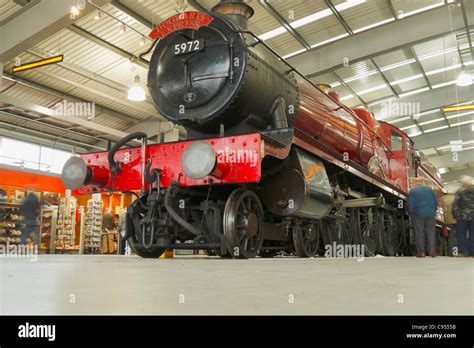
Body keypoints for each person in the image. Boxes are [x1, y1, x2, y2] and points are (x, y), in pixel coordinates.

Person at [407, 178, 438, 257]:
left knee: (419, 233)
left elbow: (410, 204)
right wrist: (434, 212)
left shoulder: (413, 191)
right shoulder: (430, 190)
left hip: (418, 214)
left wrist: (411, 213)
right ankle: (431, 251)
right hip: (431, 214)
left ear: (416, 183)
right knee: (431, 232)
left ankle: (421, 252)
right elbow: (435, 202)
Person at [452, 176, 474, 257]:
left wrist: (455, 214)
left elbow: (455, 204)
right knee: (473, 235)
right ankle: (473, 253)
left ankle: (462, 252)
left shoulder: (460, 191)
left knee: (461, 234)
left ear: (464, 183)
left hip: (462, 217)